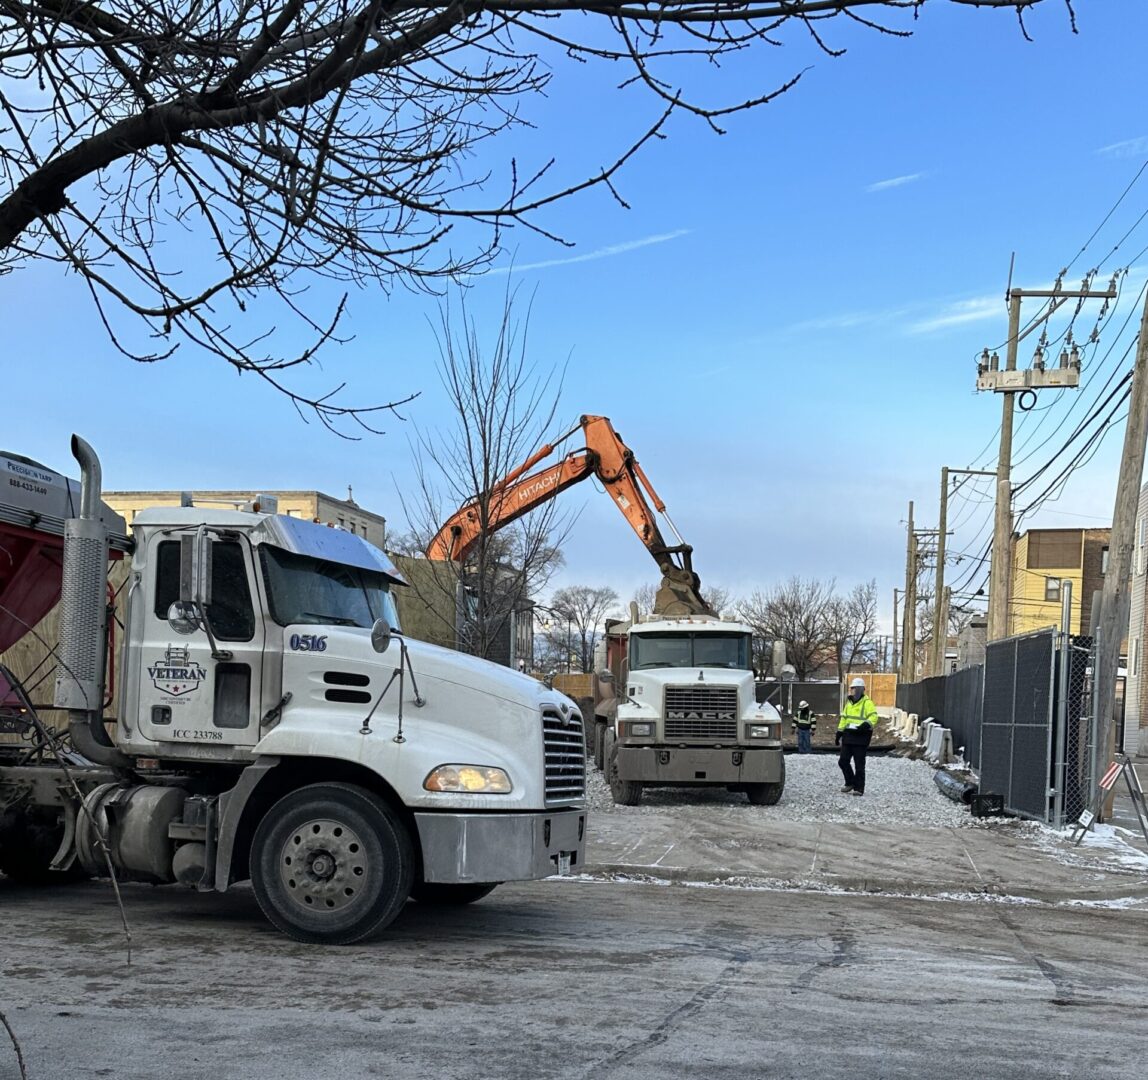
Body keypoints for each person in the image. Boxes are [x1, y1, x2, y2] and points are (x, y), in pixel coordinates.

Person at [836, 676, 878, 796]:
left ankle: (859, 788)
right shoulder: (848, 703)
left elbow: (874, 716)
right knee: (843, 761)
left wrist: (866, 724)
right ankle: (850, 782)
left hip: (861, 737)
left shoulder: (867, 703)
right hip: (848, 736)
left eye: (856, 688)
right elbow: (844, 718)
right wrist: (839, 732)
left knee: (859, 764)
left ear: (862, 689)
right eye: (853, 688)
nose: (854, 690)